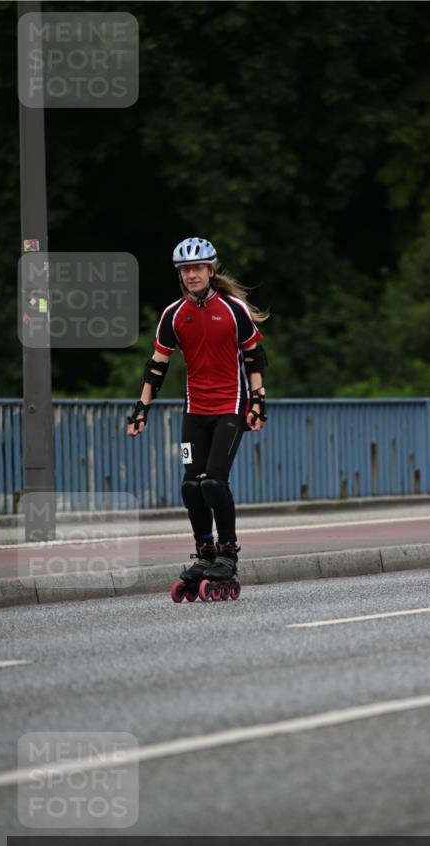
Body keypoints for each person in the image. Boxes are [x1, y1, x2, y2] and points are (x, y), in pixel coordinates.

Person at [127, 236, 268, 600]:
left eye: (198, 268)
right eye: (186, 270)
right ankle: (205, 553)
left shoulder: (234, 309)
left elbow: (254, 357)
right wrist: (141, 408)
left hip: (230, 408)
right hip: (195, 411)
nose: (192, 275)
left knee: (214, 483)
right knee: (191, 485)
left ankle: (229, 553)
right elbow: (157, 365)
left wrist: (258, 401)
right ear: (180, 274)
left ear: (210, 270)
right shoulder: (174, 315)